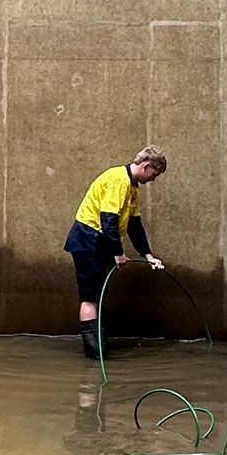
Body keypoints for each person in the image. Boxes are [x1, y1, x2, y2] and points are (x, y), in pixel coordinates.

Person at [65, 149, 167, 358]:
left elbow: (134, 226)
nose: (153, 180)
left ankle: (100, 349)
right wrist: (118, 253)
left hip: (99, 243)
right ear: (146, 166)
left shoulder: (132, 188)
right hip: (87, 240)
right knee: (90, 298)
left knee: (98, 296)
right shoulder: (118, 180)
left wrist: (148, 255)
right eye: (154, 175)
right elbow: (108, 220)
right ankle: (95, 355)